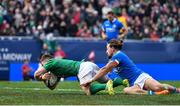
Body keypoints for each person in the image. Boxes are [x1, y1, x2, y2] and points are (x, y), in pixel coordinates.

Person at [85, 39, 180, 95]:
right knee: (126, 90)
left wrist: (91, 80)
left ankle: (176, 90)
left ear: (112, 49)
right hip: (134, 83)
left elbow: (105, 70)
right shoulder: (113, 59)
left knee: (158, 86)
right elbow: (105, 70)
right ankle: (154, 94)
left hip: (141, 77)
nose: (106, 51)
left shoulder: (118, 55)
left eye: (107, 49)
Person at [34, 54, 129, 95]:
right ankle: (123, 81)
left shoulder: (50, 62)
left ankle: (106, 86)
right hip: (89, 65)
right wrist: (43, 79)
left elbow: (36, 74)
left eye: (42, 65)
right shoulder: (55, 69)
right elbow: (52, 87)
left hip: (82, 68)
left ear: (45, 62)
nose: (42, 67)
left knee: (88, 91)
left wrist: (41, 77)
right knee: (108, 80)